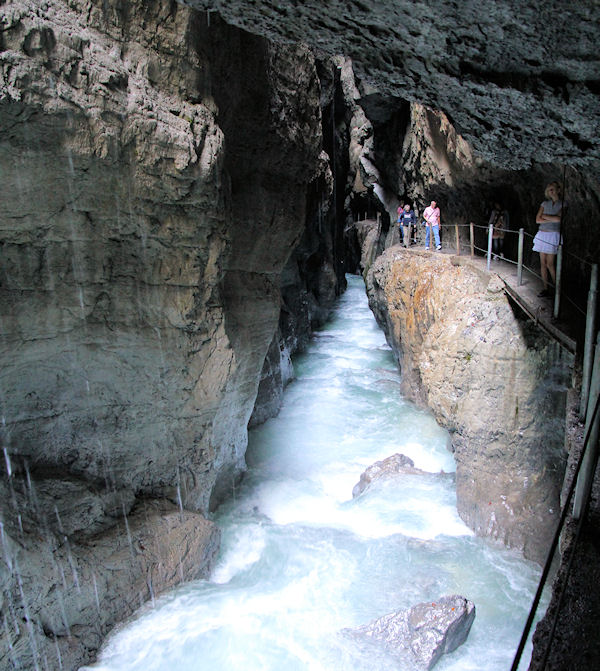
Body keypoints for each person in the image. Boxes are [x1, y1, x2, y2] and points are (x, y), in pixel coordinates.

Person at [533, 181, 566, 298]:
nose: (551, 191)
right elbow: (537, 220)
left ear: (558, 190)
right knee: (543, 263)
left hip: (553, 235)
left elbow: (559, 219)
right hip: (542, 233)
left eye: (553, 189)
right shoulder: (544, 203)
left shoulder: (563, 204)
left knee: (550, 264)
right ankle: (545, 288)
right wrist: (551, 218)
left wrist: (545, 217)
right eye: (549, 189)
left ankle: (557, 288)